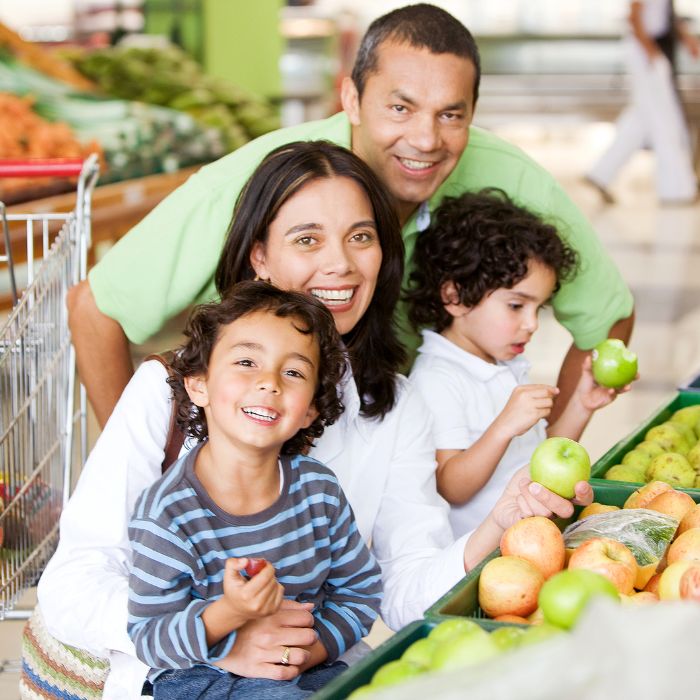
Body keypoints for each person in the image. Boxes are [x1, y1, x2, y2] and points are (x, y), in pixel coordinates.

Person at [36, 142, 593, 699]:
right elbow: (72, 587)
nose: (341, 264)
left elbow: (400, 590)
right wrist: (224, 634)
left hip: (326, 673)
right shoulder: (170, 389)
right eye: (308, 239)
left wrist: (498, 524)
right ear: (260, 258)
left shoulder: (393, 405)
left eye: (361, 237)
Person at [67, 3, 634, 430]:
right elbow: (96, 309)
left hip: (411, 452)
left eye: (451, 115)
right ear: (352, 99)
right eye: (399, 107)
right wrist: (149, 478)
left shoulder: (510, 179)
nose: (425, 139)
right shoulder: (257, 183)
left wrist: (544, 466)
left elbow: (608, 319)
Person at [128, 282, 382, 698]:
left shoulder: (318, 491)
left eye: (294, 372)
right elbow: (150, 636)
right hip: (201, 674)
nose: (269, 383)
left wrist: (306, 652)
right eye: (247, 361)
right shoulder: (167, 512)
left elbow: (360, 589)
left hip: (306, 664)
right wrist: (231, 612)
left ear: (311, 409)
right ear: (198, 384)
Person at [406, 189, 635, 538]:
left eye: (537, 308)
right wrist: (503, 427)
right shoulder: (438, 378)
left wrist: (580, 405)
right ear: (454, 297)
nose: (532, 324)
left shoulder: (503, 365)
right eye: (516, 306)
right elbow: (451, 485)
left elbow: (539, 461)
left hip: (530, 537)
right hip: (486, 559)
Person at [586, 0, 699, 204]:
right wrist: (650, 51)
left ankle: (601, 173)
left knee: (641, 119)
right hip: (646, 51)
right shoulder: (648, 50)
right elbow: (634, 14)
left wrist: (686, 39)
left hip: (651, 49)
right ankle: (675, 190)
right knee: (665, 120)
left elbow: (666, 16)